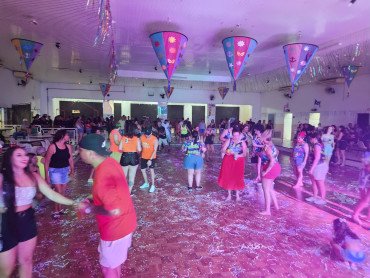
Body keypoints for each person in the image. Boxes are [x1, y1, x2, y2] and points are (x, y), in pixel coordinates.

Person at [0, 147, 86, 278]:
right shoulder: (2, 178)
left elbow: (51, 194)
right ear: (9, 159)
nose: (24, 157)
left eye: (24, 155)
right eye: (18, 155)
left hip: (27, 221)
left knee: (26, 261)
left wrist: (73, 203)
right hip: (6, 222)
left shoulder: (33, 176)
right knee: (6, 269)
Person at [78, 134, 137, 278]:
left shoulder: (103, 174)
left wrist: (87, 208)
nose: (78, 153)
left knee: (108, 269)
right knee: (114, 264)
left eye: (80, 150)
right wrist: (90, 199)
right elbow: (110, 191)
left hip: (115, 229)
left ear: (90, 153)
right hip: (126, 222)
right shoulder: (109, 162)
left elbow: (114, 210)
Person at [44, 129, 74, 219]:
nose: (68, 137)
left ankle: (60, 209)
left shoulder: (68, 146)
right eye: (67, 135)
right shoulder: (52, 147)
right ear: (62, 136)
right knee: (58, 191)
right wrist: (47, 175)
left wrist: (72, 170)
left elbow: (70, 159)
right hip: (55, 171)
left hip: (65, 170)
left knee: (63, 192)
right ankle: (56, 211)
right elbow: (47, 161)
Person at [218, 126, 247, 201]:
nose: (235, 137)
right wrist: (228, 152)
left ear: (239, 135)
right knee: (229, 177)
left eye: (237, 135)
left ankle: (237, 195)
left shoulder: (242, 142)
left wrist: (238, 155)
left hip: (238, 161)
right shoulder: (229, 140)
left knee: (237, 177)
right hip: (228, 160)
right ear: (232, 135)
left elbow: (244, 154)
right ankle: (229, 195)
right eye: (234, 135)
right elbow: (223, 150)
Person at [257, 130, 281, 215]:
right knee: (270, 188)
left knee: (266, 190)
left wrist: (265, 171)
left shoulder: (268, 148)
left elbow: (272, 160)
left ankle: (267, 210)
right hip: (276, 167)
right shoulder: (270, 145)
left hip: (270, 168)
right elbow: (277, 152)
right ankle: (276, 205)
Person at [306, 132, 328, 205]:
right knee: (314, 182)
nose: (310, 140)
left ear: (314, 138)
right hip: (316, 165)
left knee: (320, 183)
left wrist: (311, 169)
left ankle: (323, 199)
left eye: (311, 138)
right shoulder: (317, 145)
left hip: (319, 166)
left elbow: (317, 158)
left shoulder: (317, 146)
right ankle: (314, 196)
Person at [119, 124, 141, 193]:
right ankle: (129, 192)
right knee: (132, 176)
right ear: (134, 130)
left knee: (123, 176)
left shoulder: (123, 137)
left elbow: (119, 148)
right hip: (134, 157)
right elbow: (139, 149)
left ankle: (122, 191)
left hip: (125, 156)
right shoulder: (136, 138)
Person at [352, 148, 370, 225]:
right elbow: (367, 168)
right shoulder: (367, 155)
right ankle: (355, 215)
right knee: (365, 199)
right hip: (366, 179)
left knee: (366, 199)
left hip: (365, 178)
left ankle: (368, 216)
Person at [139, 126, 158, 193]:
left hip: (151, 157)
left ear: (151, 133)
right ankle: (146, 183)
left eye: (148, 135)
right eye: (146, 134)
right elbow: (140, 146)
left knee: (151, 170)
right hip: (144, 156)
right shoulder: (142, 137)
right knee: (143, 170)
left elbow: (155, 150)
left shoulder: (155, 139)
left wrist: (150, 160)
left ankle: (153, 185)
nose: (147, 136)